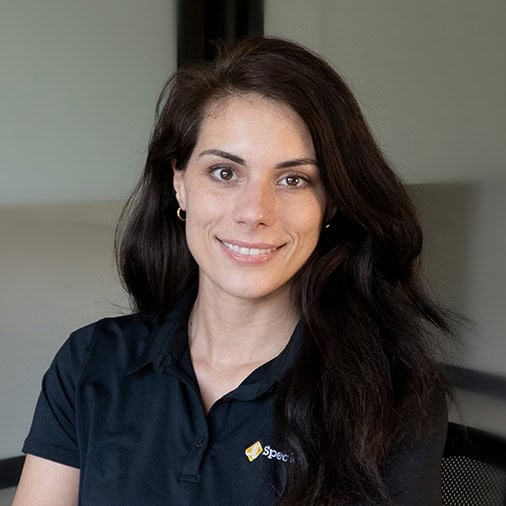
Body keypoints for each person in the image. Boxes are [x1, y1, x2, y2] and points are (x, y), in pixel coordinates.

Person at [13, 36, 454, 505]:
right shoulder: (90, 362)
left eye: (293, 179)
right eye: (225, 172)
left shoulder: (395, 396)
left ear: (330, 205)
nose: (254, 212)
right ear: (179, 184)